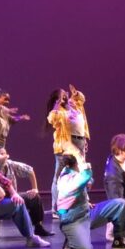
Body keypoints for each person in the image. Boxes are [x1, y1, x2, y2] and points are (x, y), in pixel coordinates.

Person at [56, 150, 125, 249]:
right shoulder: (64, 180)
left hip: (87, 214)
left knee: (121, 204)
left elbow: (87, 181)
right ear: (74, 165)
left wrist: (86, 202)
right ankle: (71, 242)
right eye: (78, 164)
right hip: (74, 221)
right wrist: (84, 163)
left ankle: (119, 242)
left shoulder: (73, 175)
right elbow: (85, 177)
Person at [46, 84, 89, 216]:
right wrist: (57, 105)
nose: (65, 97)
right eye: (61, 96)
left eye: (65, 95)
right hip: (65, 147)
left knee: (80, 173)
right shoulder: (59, 113)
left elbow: (81, 99)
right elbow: (51, 119)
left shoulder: (74, 106)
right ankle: (56, 208)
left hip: (79, 142)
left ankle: (81, 204)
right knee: (59, 177)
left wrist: (75, 93)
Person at [0, 153, 54, 237]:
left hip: (12, 197)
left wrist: (35, 189)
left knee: (34, 197)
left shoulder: (11, 164)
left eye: (4, 153)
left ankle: (38, 227)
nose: (4, 156)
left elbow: (29, 170)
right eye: (1, 154)